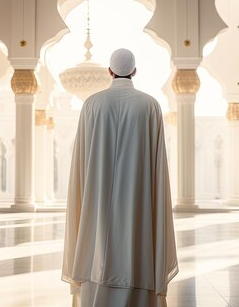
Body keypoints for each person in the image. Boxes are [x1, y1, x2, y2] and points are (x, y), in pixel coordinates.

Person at [62, 48, 178, 307]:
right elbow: (157, 169)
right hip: (137, 208)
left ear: (109, 71)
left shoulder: (91, 105)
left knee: (97, 244)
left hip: (98, 206)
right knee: (135, 246)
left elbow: (81, 163)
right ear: (134, 72)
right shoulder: (149, 106)